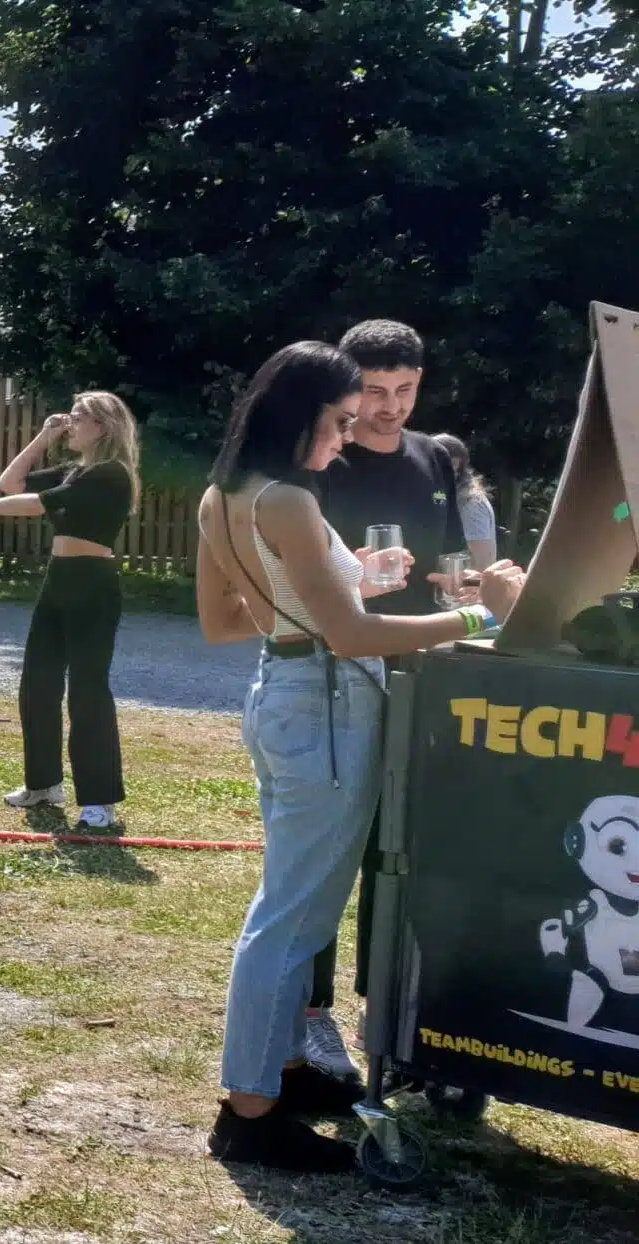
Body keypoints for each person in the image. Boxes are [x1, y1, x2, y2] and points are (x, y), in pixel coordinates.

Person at [193, 340, 523, 1172]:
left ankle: (281, 1074)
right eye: (340, 421)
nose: (347, 438)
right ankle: (249, 1112)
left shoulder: (221, 495)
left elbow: (228, 621)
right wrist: (481, 618)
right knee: (290, 915)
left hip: (282, 692)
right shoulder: (290, 501)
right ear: (302, 413)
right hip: (329, 704)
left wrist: (347, 582)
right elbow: (351, 637)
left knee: (299, 907)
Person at [299, 319, 471, 1082]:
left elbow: (454, 556)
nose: (389, 407)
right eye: (374, 391)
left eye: (404, 390)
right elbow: (291, 578)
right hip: (336, 673)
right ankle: (310, 1014)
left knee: (400, 853)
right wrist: (353, 578)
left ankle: (388, 1018)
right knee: (330, 850)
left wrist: (460, 584)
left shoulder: (433, 457)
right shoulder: (320, 461)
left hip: (418, 677)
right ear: (348, 386)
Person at [0, 393, 140, 828]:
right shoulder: (74, 470)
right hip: (58, 580)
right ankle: (44, 784)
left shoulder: (110, 474)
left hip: (93, 586)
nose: (71, 425)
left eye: (78, 418)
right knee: (38, 683)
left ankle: (99, 800)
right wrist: (44, 437)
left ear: (102, 426)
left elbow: (34, 504)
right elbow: (10, 483)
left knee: (87, 690)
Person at [433, 432, 500, 569]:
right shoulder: (442, 497)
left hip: (463, 581)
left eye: (450, 464)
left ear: (460, 468)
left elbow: (482, 562)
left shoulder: (470, 503)